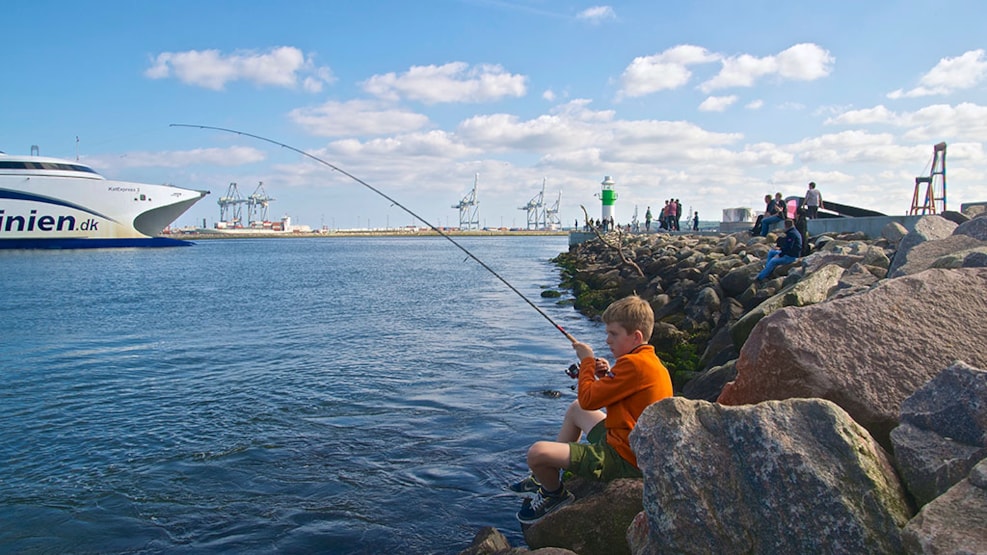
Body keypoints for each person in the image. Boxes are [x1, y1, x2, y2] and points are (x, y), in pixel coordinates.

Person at [508, 295, 673, 523]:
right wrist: (604, 376)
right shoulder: (648, 362)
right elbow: (620, 399)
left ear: (636, 336)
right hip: (632, 442)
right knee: (576, 410)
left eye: (613, 334)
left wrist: (586, 361)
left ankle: (554, 494)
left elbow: (588, 399)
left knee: (537, 453)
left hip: (625, 459)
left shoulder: (634, 365)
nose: (607, 341)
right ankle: (545, 476)